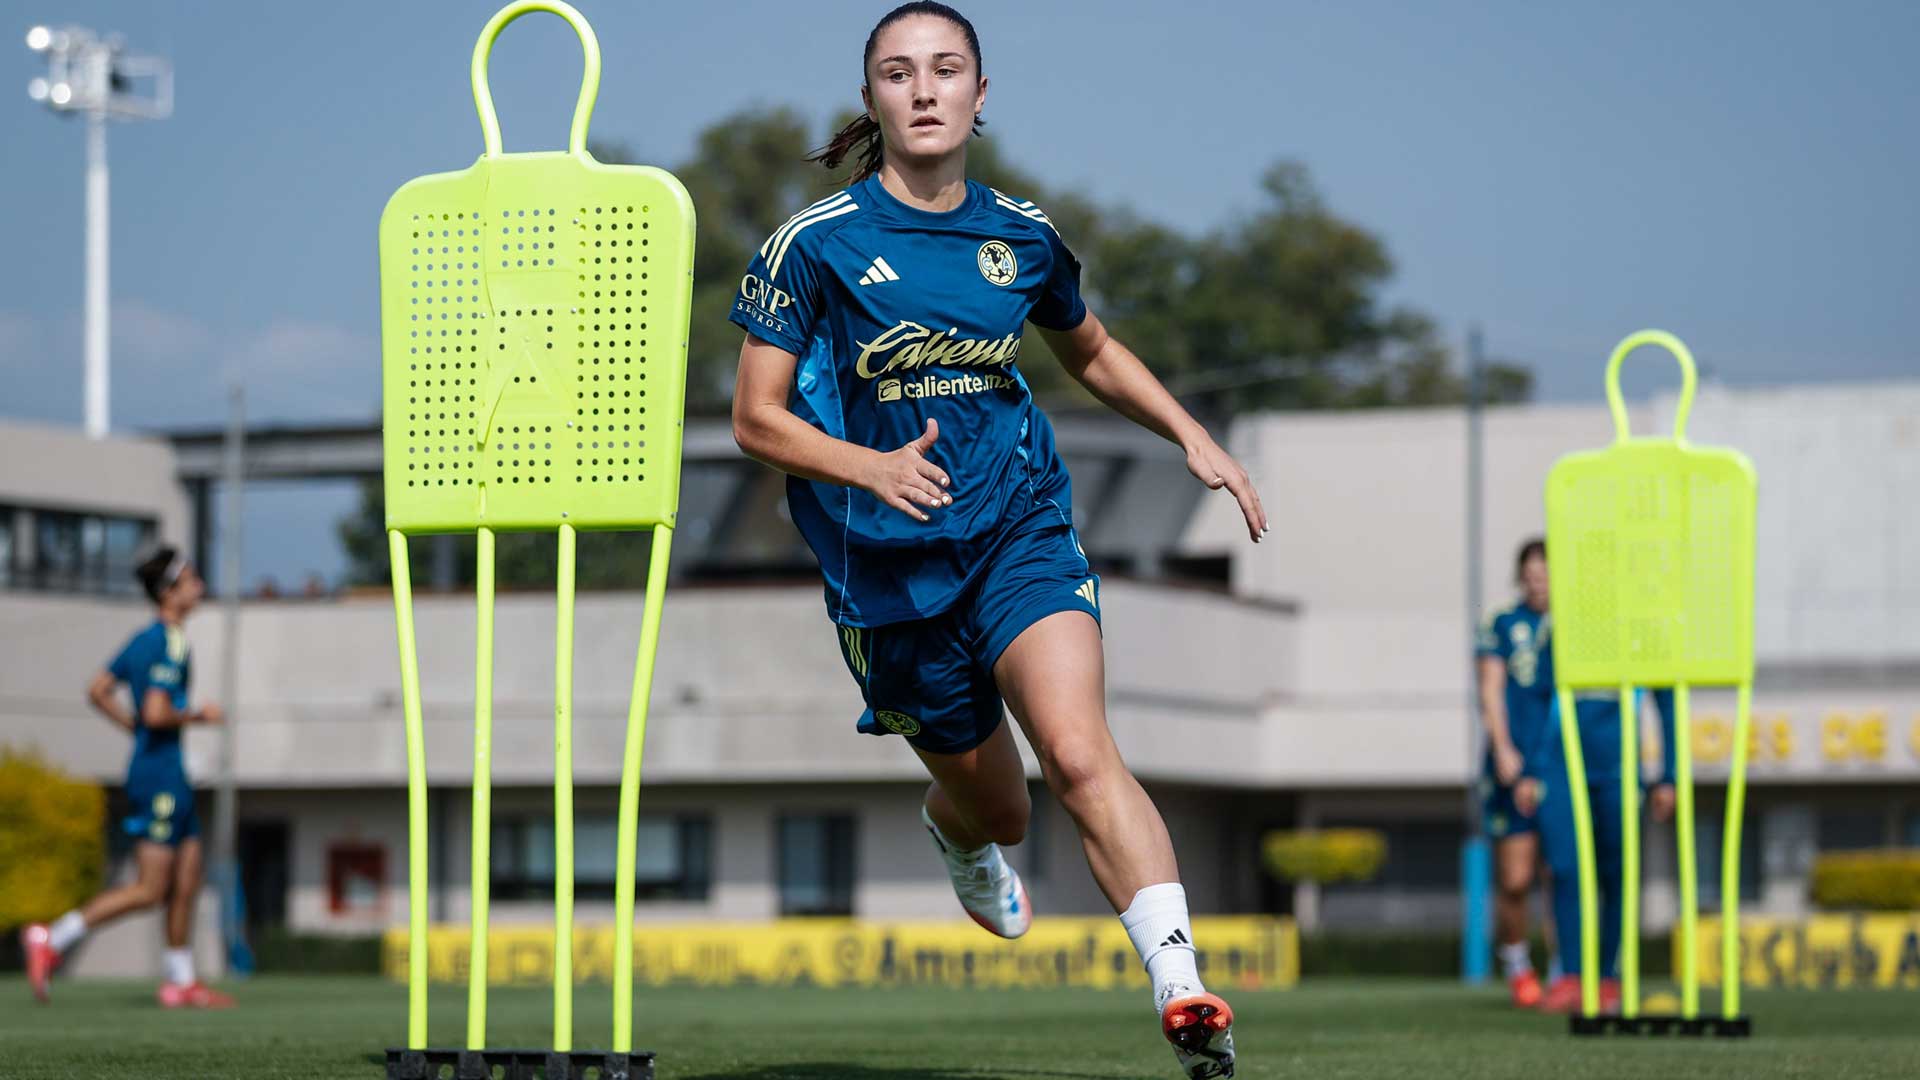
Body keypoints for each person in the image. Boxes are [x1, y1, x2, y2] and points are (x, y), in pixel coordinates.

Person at [727, 5, 1265, 1075]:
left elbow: (1092, 350)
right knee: (1004, 811)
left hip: (1020, 529)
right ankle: (957, 830)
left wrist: (1191, 434)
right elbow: (756, 419)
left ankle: (1182, 987)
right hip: (886, 571)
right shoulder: (814, 243)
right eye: (897, 72)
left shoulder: (1022, 236)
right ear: (872, 99)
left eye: (945, 69)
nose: (923, 89)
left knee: (1078, 752)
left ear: (981, 93)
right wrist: (871, 466)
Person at [20, 545, 235, 1009]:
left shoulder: (145, 640)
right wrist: (200, 715)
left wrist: (131, 726)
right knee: (151, 888)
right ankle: (52, 938)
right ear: (168, 592)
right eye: (191, 580)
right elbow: (157, 712)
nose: (199, 587)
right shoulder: (164, 643)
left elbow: (98, 690)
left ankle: (180, 981)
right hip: (157, 774)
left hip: (168, 772)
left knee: (188, 877)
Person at [1519, 687, 1675, 1013]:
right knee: (1565, 869)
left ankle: (1608, 979)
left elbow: (1666, 696)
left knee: (1618, 873)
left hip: (1619, 762)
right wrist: (1530, 768)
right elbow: (1534, 695)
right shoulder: (1559, 635)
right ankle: (1570, 978)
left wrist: (1668, 774)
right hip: (1558, 761)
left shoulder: (1638, 638)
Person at [1474, 538, 1557, 1007]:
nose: (1537, 582)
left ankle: (1567, 970)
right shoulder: (1501, 624)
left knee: (1560, 872)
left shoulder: (1575, 626)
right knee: (1515, 878)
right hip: (1511, 767)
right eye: (1530, 575)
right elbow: (1491, 689)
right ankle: (1519, 964)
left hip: (1558, 766)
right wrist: (1504, 749)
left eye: (1544, 574)